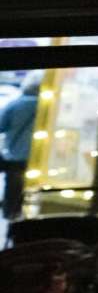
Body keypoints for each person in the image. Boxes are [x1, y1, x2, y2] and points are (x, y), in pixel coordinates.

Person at [1, 77, 40, 220]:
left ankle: (11, 216)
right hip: (40, 157)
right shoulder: (48, 105)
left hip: (16, 156)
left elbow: (1, 125)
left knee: (13, 189)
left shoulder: (15, 105)